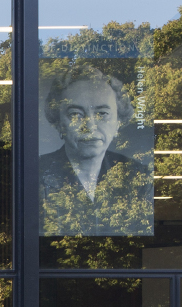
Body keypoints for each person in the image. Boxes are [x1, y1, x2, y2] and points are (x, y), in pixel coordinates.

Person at [39, 65, 153, 236]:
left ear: (118, 122)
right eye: (75, 114)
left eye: (102, 113)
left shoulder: (138, 177)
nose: (90, 126)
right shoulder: (36, 175)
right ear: (58, 123)